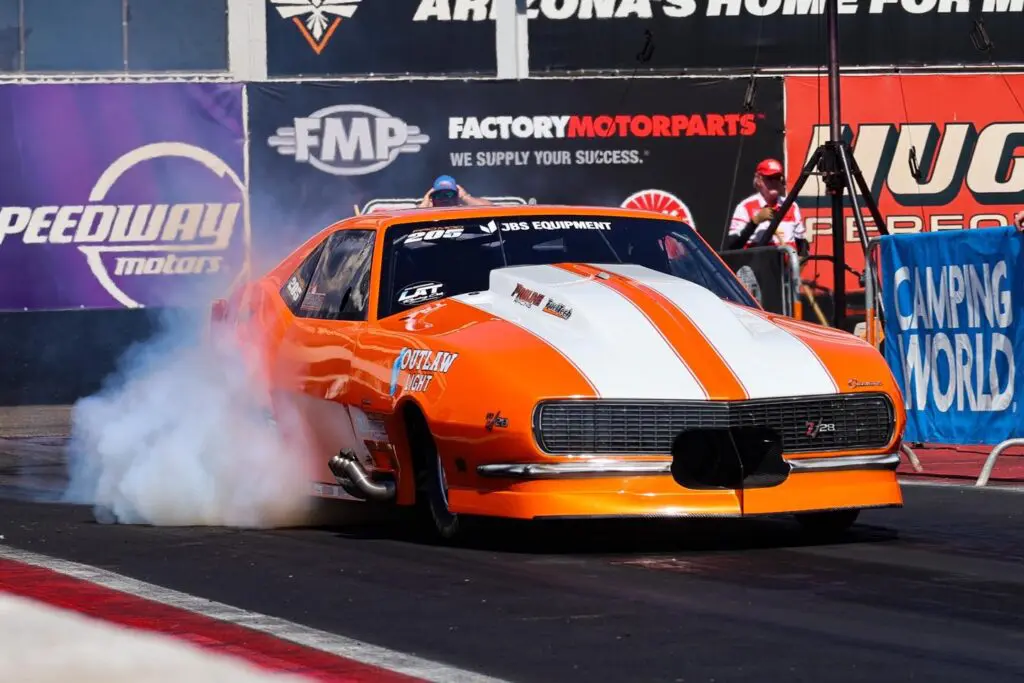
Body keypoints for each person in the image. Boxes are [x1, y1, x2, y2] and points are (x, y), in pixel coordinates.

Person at [725, 158, 809, 257]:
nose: (774, 182)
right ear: (759, 180)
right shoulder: (745, 207)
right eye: (770, 178)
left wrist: (800, 262)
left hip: (786, 271)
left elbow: (802, 243)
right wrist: (755, 222)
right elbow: (733, 245)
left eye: (777, 178)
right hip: (755, 270)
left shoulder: (792, 207)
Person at [418, 175, 492, 208]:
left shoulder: (463, 209)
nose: (445, 199)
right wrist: (425, 201)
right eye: (439, 195)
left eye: (449, 194)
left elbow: (491, 210)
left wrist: (465, 197)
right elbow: (414, 218)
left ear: (457, 196)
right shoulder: (428, 212)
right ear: (432, 199)